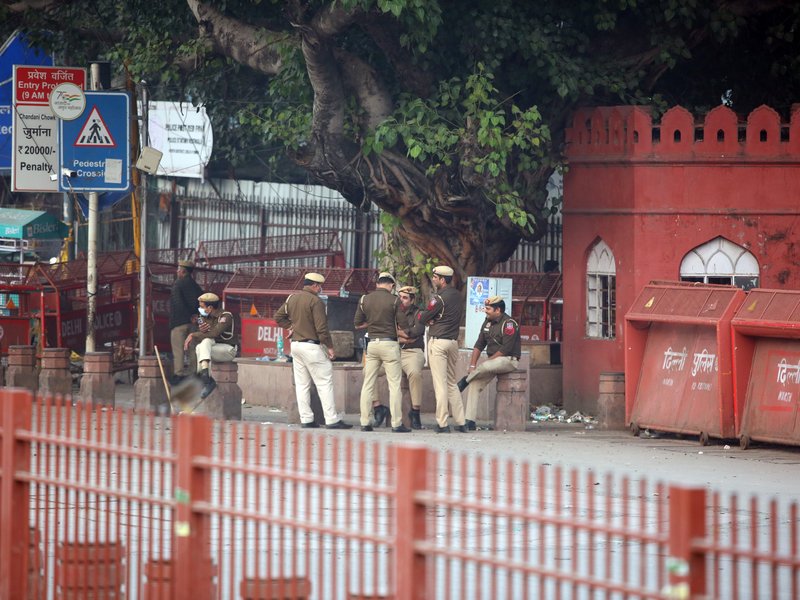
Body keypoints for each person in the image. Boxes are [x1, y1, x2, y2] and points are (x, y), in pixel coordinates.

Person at [274, 272, 352, 430]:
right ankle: (331, 420)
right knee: (324, 382)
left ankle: (307, 419)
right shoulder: (316, 301)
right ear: (315, 285)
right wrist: (330, 347)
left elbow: (278, 317)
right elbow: (322, 329)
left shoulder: (292, 298)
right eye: (319, 286)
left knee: (302, 385)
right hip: (312, 347)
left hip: (296, 346)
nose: (320, 289)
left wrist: (291, 327)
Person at [412, 265, 467, 433]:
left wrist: (428, 318)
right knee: (451, 383)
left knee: (440, 384)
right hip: (453, 343)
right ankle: (461, 422)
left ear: (443, 280)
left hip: (439, 343)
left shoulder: (439, 298)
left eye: (436, 278)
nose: (433, 280)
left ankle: (443, 423)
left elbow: (423, 317)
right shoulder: (458, 296)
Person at [355, 272, 409, 433]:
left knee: (368, 384)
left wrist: (371, 323)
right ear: (391, 285)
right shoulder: (394, 300)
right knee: (394, 386)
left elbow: (357, 324)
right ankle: (396, 423)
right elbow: (404, 325)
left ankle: (365, 422)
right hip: (389, 344)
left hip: (371, 345)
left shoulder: (365, 299)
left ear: (378, 283)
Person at [458, 295, 521, 430]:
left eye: (488, 309)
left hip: (508, 360)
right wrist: (472, 365)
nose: (485, 311)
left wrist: (486, 363)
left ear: (497, 310)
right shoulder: (487, 322)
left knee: (486, 365)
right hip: (492, 363)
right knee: (475, 384)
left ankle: (465, 381)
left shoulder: (509, 323)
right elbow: (479, 344)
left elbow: (506, 349)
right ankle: (469, 421)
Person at [183, 292, 238, 400]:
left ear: (210, 307)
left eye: (201, 306)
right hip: (211, 348)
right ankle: (206, 379)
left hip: (227, 350)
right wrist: (201, 331)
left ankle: (204, 378)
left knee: (203, 345)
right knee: (202, 344)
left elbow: (214, 334)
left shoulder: (225, 316)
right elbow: (205, 336)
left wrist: (193, 334)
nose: (199, 308)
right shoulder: (203, 317)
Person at [396, 285, 426, 429]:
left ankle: (415, 412)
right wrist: (405, 337)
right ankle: (378, 408)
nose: (402, 300)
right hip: (394, 351)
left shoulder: (419, 313)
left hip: (413, 351)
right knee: (371, 372)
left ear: (412, 300)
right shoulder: (393, 311)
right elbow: (388, 330)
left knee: (414, 373)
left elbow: (416, 332)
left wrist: (399, 333)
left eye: (405, 298)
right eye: (400, 297)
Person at [169, 259, 202, 384]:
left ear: (183, 271)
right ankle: (194, 372)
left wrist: (188, 315)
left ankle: (179, 374)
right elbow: (202, 302)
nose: (177, 271)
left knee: (178, 349)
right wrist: (195, 315)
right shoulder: (195, 285)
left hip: (179, 323)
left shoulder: (178, 284)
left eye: (178, 269)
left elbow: (178, 303)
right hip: (193, 323)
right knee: (193, 348)